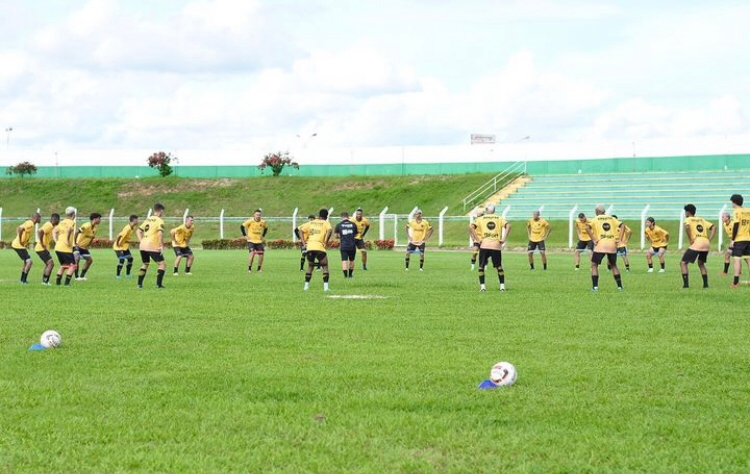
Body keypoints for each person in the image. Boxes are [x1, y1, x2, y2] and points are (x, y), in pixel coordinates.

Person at [470, 205, 510, 291]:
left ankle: (483, 287)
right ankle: (502, 287)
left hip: (484, 245)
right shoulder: (499, 218)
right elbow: (508, 226)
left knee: (481, 267)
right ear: (494, 211)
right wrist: (503, 239)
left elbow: (471, 227)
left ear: (487, 210)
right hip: (496, 246)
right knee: (499, 266)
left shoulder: (481, 218)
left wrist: (477, 239)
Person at [586, 205, 624, 292]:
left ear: (597, 212)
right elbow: (622, 226)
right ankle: (620, 287)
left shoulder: (596, 218)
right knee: (613, 265)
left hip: (601, 245)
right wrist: (619, 239)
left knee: (594, 265)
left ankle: (595, 287)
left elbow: (587, 227)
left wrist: (593, 239)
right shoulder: (611, 218)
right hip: (612, 245)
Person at [681, 204, 715, 289]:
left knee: (683, 263)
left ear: (688, 212)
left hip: (697, 242)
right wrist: (709, 239)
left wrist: (690, 239)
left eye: (685, 211)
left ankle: (686, 286)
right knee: (701, 263)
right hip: (705, 243)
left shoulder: (688, 219)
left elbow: (687, 227)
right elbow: (714, 227)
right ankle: (706, 285)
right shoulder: (701, 219)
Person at [298, 208, 332, 291]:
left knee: (310, 266)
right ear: (326, 216)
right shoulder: (325, 223)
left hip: (310, 247)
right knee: (324, 266)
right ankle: (326, 288)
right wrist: (326, 242)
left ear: (319, 215)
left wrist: (303, 243)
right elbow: (330, 230)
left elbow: (300, 230)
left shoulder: (311, 222)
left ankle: (306, 287)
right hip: (319, 246)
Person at [137, 203, 166, 289]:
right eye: (162, 212)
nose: (162, 213)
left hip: (143, 244)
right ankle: (158, 285)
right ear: (160, 211)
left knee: (145, 264)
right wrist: (161, 245)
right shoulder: (160, 220)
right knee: (162, 264)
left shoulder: (148, 219)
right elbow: (160, 233)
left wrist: (141, 241)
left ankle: (139, 284)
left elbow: (138, 231)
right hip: (152, 244)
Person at [11, 212, 41, 284]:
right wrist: (20, 240)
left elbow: (18, 227)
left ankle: (22, 280)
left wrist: (19, 238)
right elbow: (20, 229)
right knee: (29, 262)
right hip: (18, 245)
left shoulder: (29, 223)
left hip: (18, 245)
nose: (40, 220)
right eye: (40, 218)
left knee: (26, 262)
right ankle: (23, 280)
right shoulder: (30, 223)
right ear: (36, 218)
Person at [52, 207, 78, 286]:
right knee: (73, 266)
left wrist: (56, 240)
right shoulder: (71, 222)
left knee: (64, 265)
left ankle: (58, 283)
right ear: (73, 215)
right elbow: (69, 229)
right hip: (65, 248)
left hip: (58, 247)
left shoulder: (62, 222)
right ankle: (67, 283)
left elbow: (54, 231)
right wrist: (67, 240)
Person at [729, 194, 750, 288]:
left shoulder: (736, 211)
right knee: (749, 260)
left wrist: (733, 239)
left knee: (737, 260)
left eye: (731, 202)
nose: (731, 204)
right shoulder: (748, 211)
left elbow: (736, 225)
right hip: (748, 239)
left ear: (734, 202)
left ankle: (735, 282)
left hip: (739, 240)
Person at [74, 212, 102, 280]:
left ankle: (82, 276)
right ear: (95, 219)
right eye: (99, 218)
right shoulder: (86, 226)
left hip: (84, 247)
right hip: (78, 246)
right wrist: (75, 243)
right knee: (77, 260)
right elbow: (77, 232)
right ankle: (77, 277)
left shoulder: (95, 228)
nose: (100, 220)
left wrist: (88, 245)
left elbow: (92, 238)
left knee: (89, 260)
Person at [35, 213, 60, 285]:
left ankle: (44, 281)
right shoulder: (49, 225)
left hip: (42, 248)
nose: (59, 222)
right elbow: (40, 231)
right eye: (58, 220)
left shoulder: (49, 225)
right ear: (55, 219)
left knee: (48, 264)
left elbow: (39, 231)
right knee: (51, 264)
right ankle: (45, 281)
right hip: (41, 248)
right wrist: (42, 243)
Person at [113, 214, 139, 279]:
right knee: (122, 259)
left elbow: (127, 238)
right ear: (134, 220)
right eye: (137, 220)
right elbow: (119, 236)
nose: (138, 221)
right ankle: (118, 275)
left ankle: (128, 274)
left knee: (130, 259)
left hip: (124, 247)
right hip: (118, 247)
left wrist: (130, 242)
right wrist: (118, 243)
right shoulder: (127, 228)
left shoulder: (132, 228)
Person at [334, 211, 358, 278]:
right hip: (352, 245)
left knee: (344, 261)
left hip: (344, 245)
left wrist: (341, 236)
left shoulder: (339, 225)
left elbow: (335, 236)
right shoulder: (353, 224)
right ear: (348, 217)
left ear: (341, 217)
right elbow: (355, 234)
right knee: (352, 260)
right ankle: (350, 275)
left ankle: (345, 276)